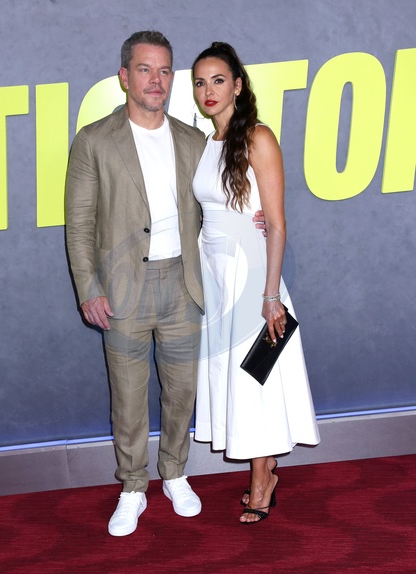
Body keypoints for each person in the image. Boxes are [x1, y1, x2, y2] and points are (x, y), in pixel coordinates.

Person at [66, 31, 207, 537]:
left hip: (183, 284)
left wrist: (250, 219)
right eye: (145, 69)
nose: (156, 80)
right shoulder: (94, 140)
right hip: (123, 287)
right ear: (125, 76)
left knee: (182, 391)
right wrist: (88, 287)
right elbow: (79, 224)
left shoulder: (194, 140)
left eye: (165, 70)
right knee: (127, 397)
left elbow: (217, 205)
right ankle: (132, 486)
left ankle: (175, 473)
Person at [191, 42, 320, 524]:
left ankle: (262, 480)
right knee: (234, 378)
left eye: (218, 80)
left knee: (254, 380)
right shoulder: (206, 142)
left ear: (238, 86)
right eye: (200, 82)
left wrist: (270, 295)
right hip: (214, 277)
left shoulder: (258, 137)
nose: (208, 90)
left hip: (252, 279)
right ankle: (264, 472)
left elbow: (278, 223)